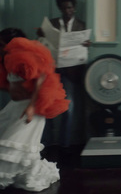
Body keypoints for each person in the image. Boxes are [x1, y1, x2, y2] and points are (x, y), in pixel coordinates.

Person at [0, 28, 69, 192]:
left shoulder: (24, 57)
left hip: (29, 109)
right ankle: (18, 175)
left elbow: (41, 76)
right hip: (15, 107)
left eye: (2, 43)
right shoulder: (9, 59)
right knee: (10, 141)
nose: (1, 47)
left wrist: (31, 106)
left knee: (14, 142)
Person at [38, 0, 90, 147]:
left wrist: (87, 44)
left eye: (70, 8)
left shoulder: (81, 25)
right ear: (60, 8)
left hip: (70, 72)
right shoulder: (52, 24)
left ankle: (65, 145)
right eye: (64, 8)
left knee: (69, 107)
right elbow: (41, 44)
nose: (68, 11)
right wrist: (41, 35)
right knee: (47, 106)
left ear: (74, 7)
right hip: (52, 70)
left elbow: (84, 47)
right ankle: (46, 142)